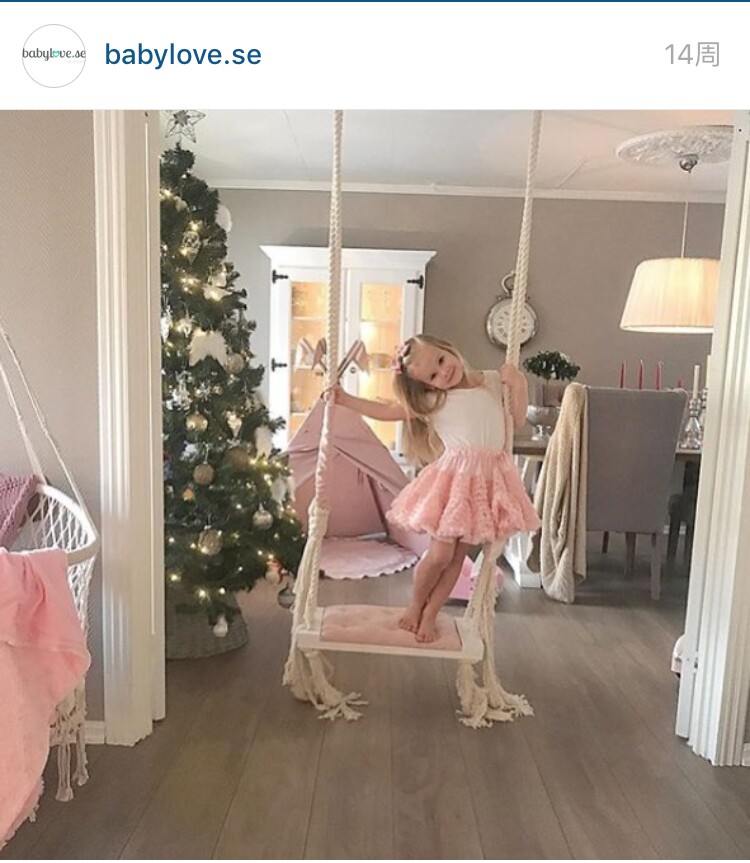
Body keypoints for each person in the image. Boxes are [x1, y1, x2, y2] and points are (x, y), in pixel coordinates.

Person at [327, 333, 540, 643]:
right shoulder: (435, 401)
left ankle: (431, 614)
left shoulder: (493, 381)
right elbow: (389, 411)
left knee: (457, 559)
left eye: (441, 360)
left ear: (448, 348)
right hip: (455, 483)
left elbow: (516, 419)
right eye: (433, 376)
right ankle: (415, 605)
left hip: (485, 484)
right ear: (428, 385)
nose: (444, 372)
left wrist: (519, 385)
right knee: (440, 555)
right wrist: (345, 399)